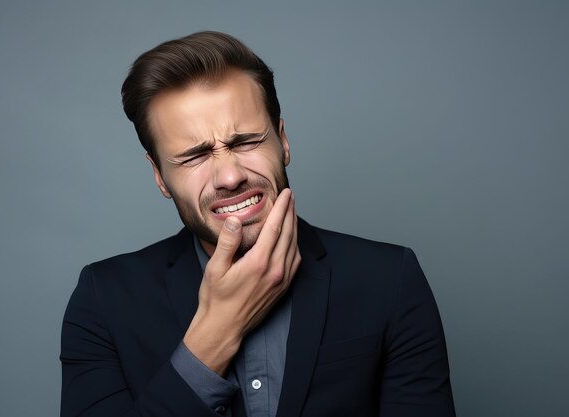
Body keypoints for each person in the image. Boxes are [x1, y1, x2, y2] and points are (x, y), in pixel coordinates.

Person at [60, 31, 456, 417]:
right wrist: (214, 335)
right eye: (194, 156)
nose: (230, 177)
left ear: (282, 142)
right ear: (160, 177)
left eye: (245, 141)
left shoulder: (390, 280)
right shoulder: (103, 298)